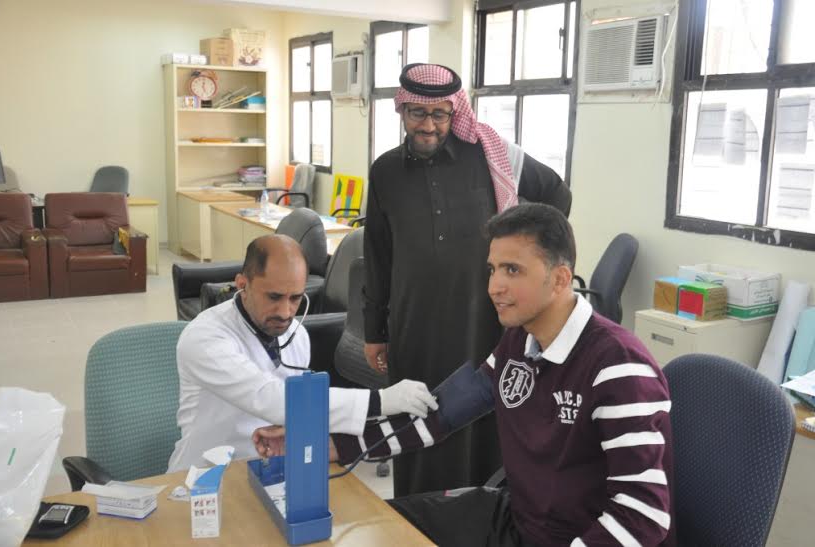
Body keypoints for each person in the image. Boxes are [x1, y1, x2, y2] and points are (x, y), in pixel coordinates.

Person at [256, 204, 675, 546]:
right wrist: (331, 445)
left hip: (576, 537)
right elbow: (442, 414)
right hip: (520, 519)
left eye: (513, 270)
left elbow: (643, 512)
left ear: (560, 279)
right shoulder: (519, 340)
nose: (494, 286)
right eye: (493, 269)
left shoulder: (617, 365)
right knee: (377, 528)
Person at [363, 62, 573, 496]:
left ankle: (480, 515)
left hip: (484, 322)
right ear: (401, 110)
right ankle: (416, 514)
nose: (429, 126)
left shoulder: (489, 153)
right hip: (414, 325)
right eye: (418, 114)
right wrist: (374, 331)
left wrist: (526, 256)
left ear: (454, 112)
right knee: (416, 418)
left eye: (439, 114)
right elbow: (378, 255)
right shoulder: (384, 171)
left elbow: (556, 192)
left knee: (483, 425)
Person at [167, 235, 437, 472]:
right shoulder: (205, 337)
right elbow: (272, 398)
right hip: (205, 476)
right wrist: (381, 401)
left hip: (273, 468)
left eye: (295, 298)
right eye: (274, 297)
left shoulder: (297, 336)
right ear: (242, 284)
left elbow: (293, 411)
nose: (285, 313)